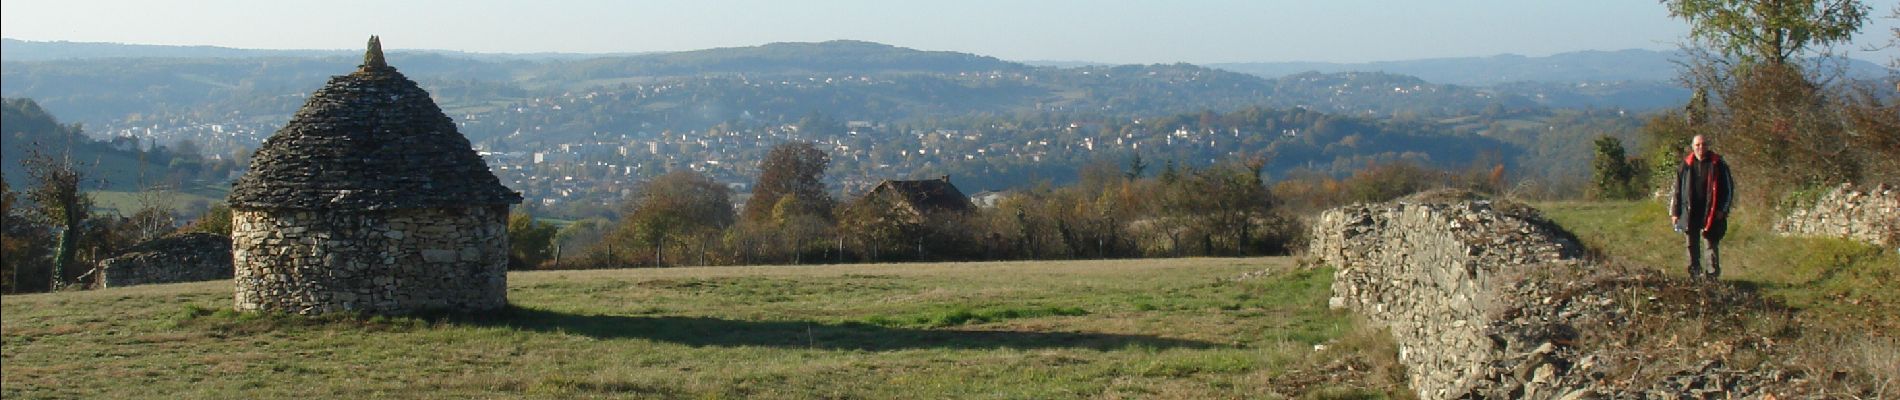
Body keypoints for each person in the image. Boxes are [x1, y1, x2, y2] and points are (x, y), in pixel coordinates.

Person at [1670, 135, 1735, 280]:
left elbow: (1729, 189)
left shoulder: (1718, 164)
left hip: (1711, 213)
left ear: (1708, 146)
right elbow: (1677, 191)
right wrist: (1675, 213)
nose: (1701, 147)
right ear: (1692, 146)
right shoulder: (1685, 166)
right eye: (1697, 145)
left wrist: (1722, 210)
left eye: (1703, 144)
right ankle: (1694, 274)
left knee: (1710, 244)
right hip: (1690, 212)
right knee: (1691, 244)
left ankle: (1712, 275)